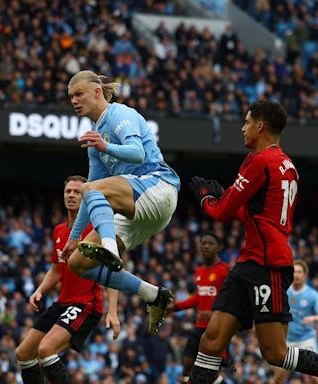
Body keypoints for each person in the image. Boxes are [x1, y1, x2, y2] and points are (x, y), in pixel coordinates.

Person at [188, 100, 318, 383]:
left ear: (260, 126)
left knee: (274, 353)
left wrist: (206, 199)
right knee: (211, 340)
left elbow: (221, 212)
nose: (243, 128)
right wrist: (225, 196)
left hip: (268, 264)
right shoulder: (285, 164)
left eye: (246, 122)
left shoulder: (261, 161)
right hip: (250, 261)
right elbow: (254, 213)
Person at [60, 70, 181, 335]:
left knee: (90, 189)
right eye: (71, 97)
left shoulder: (119, 115)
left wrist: (105, 147)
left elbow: (137, 154)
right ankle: (153, 295)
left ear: (97, 92)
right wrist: (73, 236)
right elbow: (91, 193)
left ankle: (109, 249)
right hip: (138, 208)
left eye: (79, 94)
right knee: (77, 263)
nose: (74, 101)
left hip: (158, 186)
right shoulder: (95, 134)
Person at [15, 175, 120, 384]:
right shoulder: (59, 231)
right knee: (24, 353)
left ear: (86, 198)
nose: (71, 195)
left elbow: (113, 270)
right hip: (62, 302)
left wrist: (113, 311)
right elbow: (55, 269)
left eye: (77, 192)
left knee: (46, 350)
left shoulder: (95, 230)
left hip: (86, 304)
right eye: (68, 191)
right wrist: (40, 291)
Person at [168, 232, 230, 384]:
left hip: (217, 328)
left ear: (219, 247)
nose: (206, 246)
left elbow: (232, 298)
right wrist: (175, 307)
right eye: (203, 243)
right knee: (187, 368)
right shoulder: (199, 271)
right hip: (199, 327)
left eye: (210, 243)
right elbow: (198, 297)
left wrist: (215, 314)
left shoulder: (225, 270)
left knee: (210, 374)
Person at [274, 260, 318, 384]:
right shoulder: (285, 291)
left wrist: (313, 318)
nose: (296, 275)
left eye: (299, 272)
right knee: (279, 377)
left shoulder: (312, 295)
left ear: (305, 275)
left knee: (315, 377)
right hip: (288, 342)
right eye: (294, 272)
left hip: (306, 340)